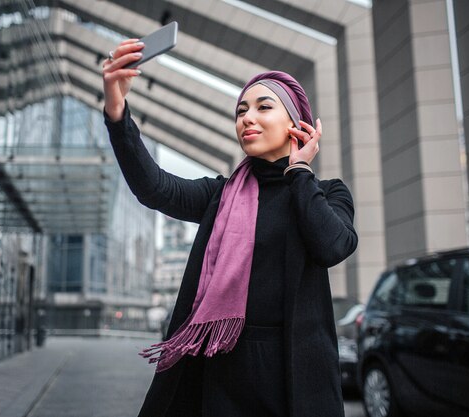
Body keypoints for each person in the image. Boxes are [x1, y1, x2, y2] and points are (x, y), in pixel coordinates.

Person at [102, 39, 358, 417]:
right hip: (223, 370)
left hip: (296, 374)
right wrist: (116, 109)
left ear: (296, 123)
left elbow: (332, 246)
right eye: (241, 111)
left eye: (263, 107)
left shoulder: (325, 193)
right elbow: (153, 187)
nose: (246, 118)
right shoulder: (220, 195)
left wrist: (300, 171)